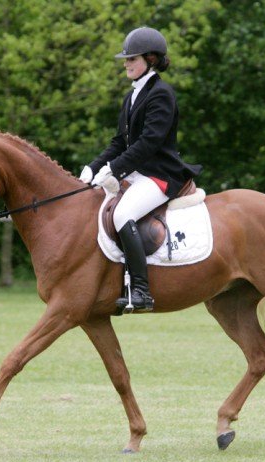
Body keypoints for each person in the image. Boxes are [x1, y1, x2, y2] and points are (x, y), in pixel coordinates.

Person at [80, 27, 202, 313]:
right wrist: (93, 167)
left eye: (131, 58)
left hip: (160, 175)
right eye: (126, 59)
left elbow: (149, 143)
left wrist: (114, 170)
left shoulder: (161, 94)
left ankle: (141, 291)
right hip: (138, 173)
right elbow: (119, 142)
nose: (126, 63)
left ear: (151, 59)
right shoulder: (131, 96)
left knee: (123, 214)